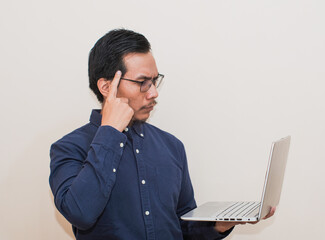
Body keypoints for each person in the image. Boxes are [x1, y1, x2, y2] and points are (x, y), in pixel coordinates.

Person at [49, 29, 275, 240]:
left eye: (155, 81)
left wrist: (217, 225)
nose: (154, 92)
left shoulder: (171, 146)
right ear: (107, 87)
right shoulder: (69, 148)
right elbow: (80, 213)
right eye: (142, 83)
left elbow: (183, 226)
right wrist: (109, 132)